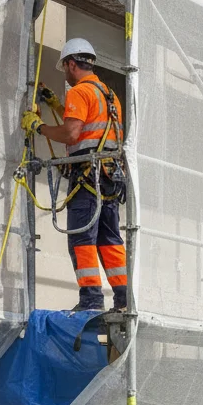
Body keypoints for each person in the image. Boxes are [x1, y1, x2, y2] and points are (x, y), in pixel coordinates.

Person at [21, 38, 128, 313]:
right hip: (109, 177)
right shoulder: (108, 93)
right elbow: (89, 125)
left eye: (65, 69)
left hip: (88, 178)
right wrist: (56, 105)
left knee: (82, 238)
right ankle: (123, 299)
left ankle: (91, 300)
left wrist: (39, 126)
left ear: (71, 64)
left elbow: (71, 133)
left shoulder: (79, 92)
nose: (65, 75)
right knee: (110, 239)